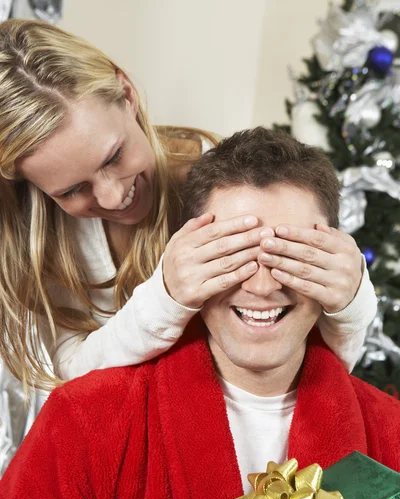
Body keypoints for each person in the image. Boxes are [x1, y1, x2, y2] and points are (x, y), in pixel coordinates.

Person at [0, 128, 398, 499]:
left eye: (292, 256)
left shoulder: (390, 432)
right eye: (232, 255)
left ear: (336, 264)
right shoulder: (83, 421)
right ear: (189, 262)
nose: (263, 286)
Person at [0, 19, 376, 400]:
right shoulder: (42, 240)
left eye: (114, 156)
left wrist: (350, 301)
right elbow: (73, 381)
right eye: (73, 190)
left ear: (127, 95)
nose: (112, 197)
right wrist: (166, 298)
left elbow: (309, 361)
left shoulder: (221, 188)